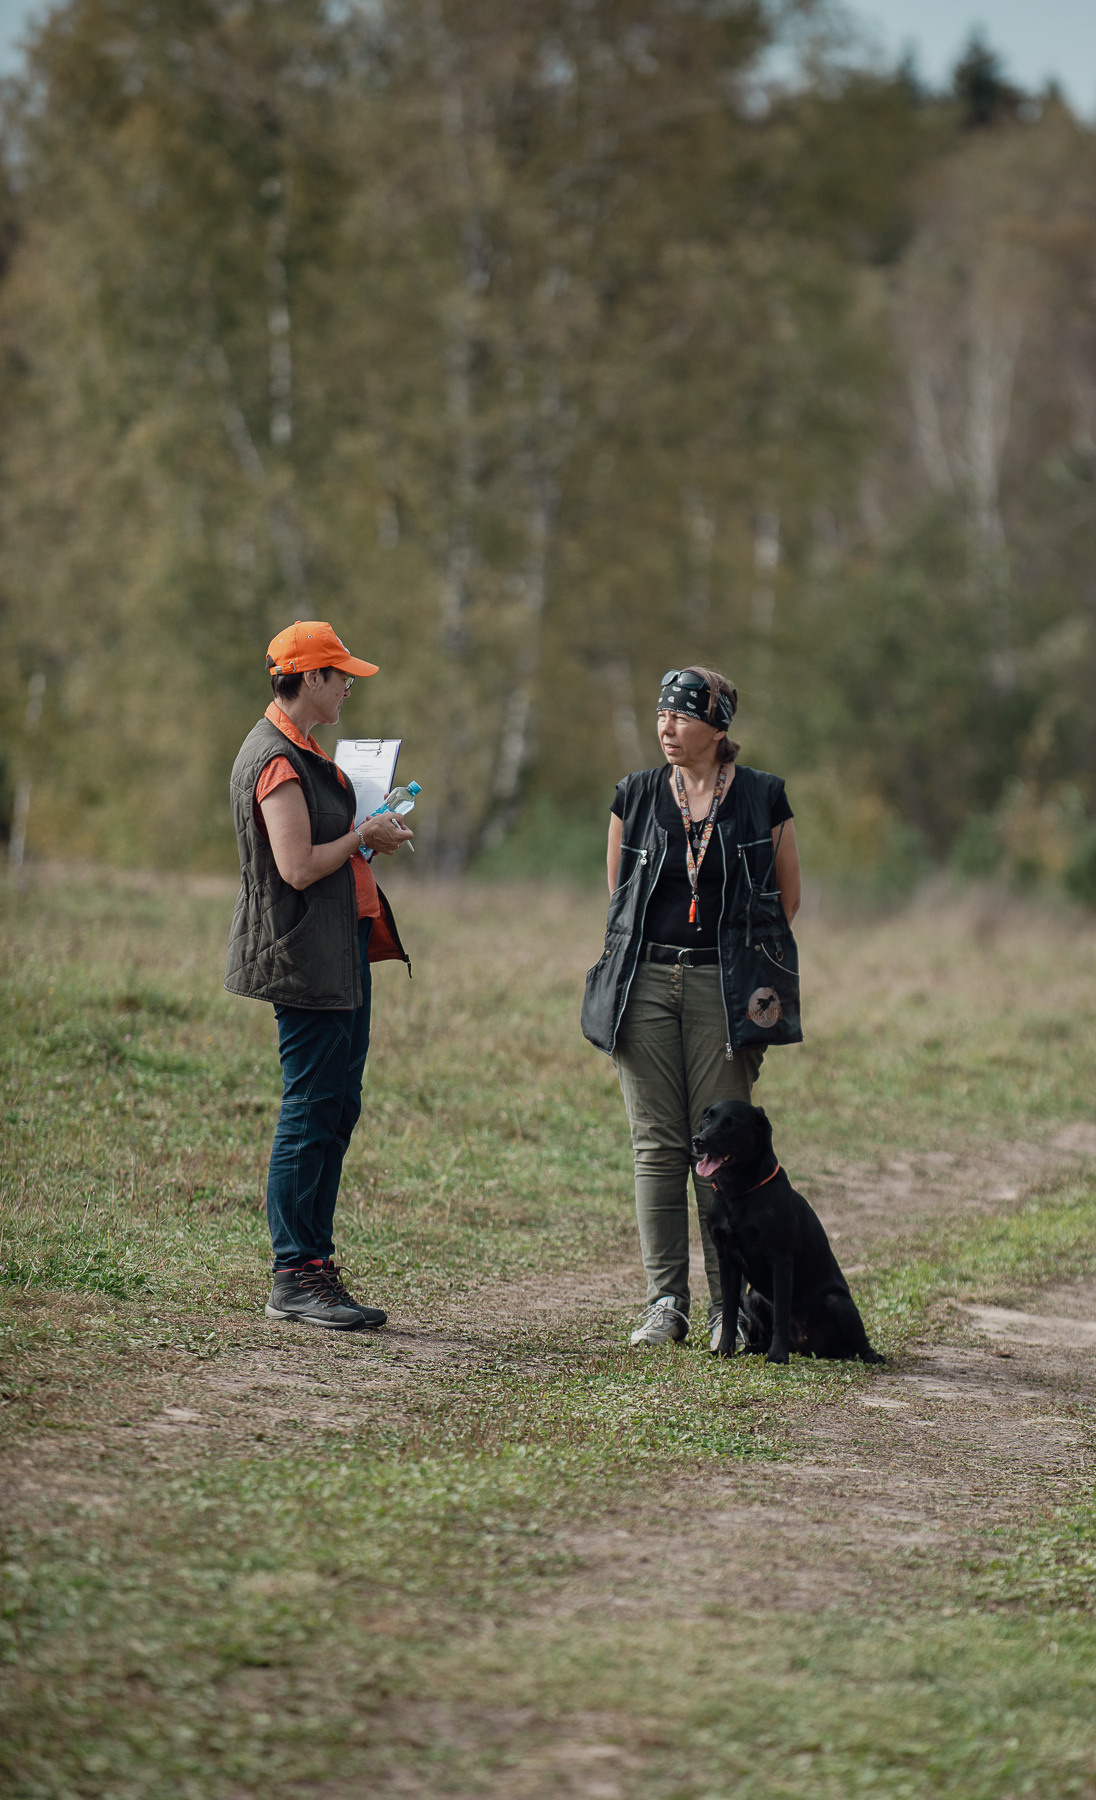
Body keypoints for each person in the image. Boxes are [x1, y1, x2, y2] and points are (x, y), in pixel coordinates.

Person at [581, 665, 802, 1350]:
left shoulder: (764, 797)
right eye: (660, 715)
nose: (666, 729)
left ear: (718, 727)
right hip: (644, 982)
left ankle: (726, 1310)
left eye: (680, 716)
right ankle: (666, 1304)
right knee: (657, 1146)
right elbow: (620, 899)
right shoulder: (637, 794)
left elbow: (786, 902)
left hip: (724, 987)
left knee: (722, 1155)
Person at [225, 620, 413, 1331]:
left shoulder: (302, 751)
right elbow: (298, 866)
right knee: (311, 1107)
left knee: (335, 1106)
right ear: (309, 680)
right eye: (341, 678)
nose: (347, 689)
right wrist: (363, 836)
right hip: (306, 956)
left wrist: (370, 834)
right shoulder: (275, 758)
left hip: (339, 949)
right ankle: (295, 1273)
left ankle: (313, 1265)